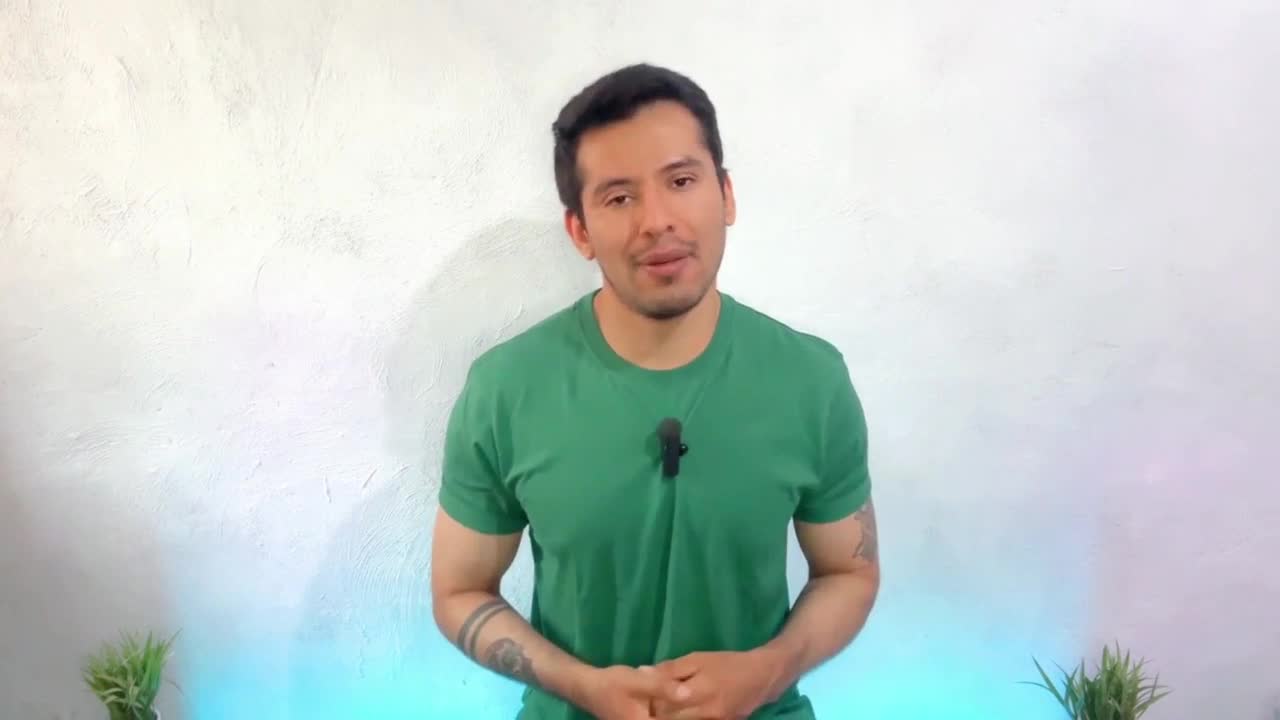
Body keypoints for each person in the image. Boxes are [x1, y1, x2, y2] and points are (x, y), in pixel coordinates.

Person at [429, 62, 880, 720]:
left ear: (726, 195)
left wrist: (768, 672)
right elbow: (460, 591)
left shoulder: (812, 379)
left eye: (682, 181)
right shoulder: (506, 389)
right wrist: (583, 685)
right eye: (618, 198)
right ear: (580, 231)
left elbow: (848, 570)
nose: (657, 220)